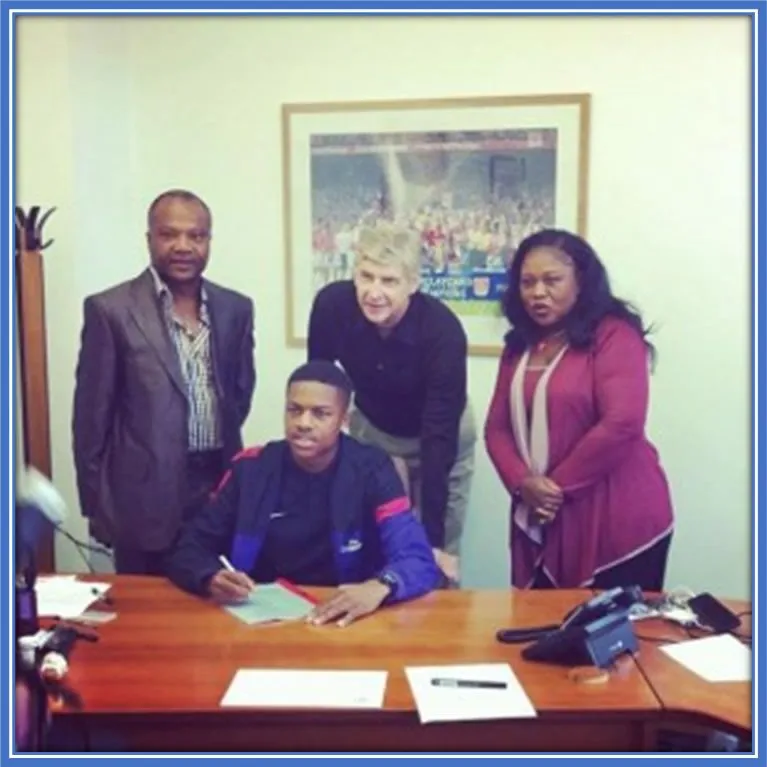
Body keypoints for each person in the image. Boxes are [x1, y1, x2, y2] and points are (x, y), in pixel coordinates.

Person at [166, 361, 441, 626]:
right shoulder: (251, 468)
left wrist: (381, 586)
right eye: (294, 410)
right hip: (260, 619)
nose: (303, 423)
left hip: (345, 618)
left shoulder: (372, 469)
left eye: (320, 413)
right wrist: (209, 576)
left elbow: (417, 558)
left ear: (344, 419)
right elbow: (191, 547)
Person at [72, 189, 256, 575]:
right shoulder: (112, 311)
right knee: (148, 615)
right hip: (142, 497)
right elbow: (91, 422)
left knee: (217, 605)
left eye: (196, 235)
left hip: (216, 485)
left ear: (209, 240)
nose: (183, 246)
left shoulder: (235, 308)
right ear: (149, 238)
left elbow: (239, 393)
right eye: (169, 234)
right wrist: (99, 508)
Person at [485, 228, 674, 591]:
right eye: (527, 282)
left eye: (552, 280)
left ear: (581, 282)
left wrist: (552, 490)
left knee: (611, 641)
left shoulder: (614, 334)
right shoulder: (518, 345)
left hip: (618, 518)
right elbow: (497, 429)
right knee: (538, 636)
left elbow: (622, 422)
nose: (538, 292)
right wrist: (524, 484)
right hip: (540, 512)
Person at [307, 224, 476, 586]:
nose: (374, 292)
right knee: (374, 543)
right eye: (366, 277)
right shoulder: (331, 306)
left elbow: (438, 436)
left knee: (436, 559)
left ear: (413, 284)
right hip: (375, 430)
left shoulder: (442, 332)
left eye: (389, 281)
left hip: (440, 436)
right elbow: (317, 386)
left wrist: (431, 543)